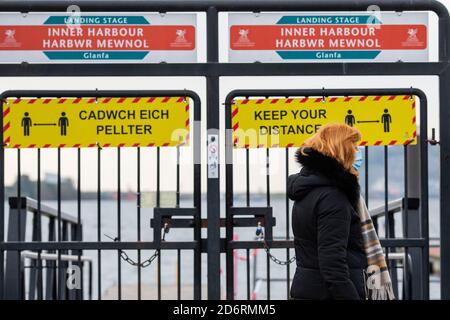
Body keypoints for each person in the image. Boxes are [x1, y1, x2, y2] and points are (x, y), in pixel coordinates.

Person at [287, 123, 394, 300]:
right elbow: (332, 263)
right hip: (327, 294)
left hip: (308, 288)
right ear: (341, 149)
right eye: (354, 146)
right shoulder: (333, 198)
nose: (357, 152)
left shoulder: (308, 190)